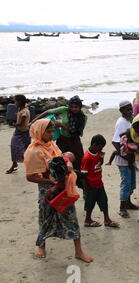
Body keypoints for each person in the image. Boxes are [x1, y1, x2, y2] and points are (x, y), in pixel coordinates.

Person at [23, 119, 93, 262]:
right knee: (45, 217)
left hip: (63, 187)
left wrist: (67, 167)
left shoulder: (52, 145)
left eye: (52, 131)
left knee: (71, 218)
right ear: (39, 132)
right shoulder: (33, 151)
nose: (51, 134)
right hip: (47, 191)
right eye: (48, 132)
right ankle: (41, 245)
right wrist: (49, 181)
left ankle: (78, 251)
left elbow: (61, 160)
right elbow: (30, 177)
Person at [30, 95, 87, 172]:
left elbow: (77, 133)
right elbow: (47, 112)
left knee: (78, 161)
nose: (73, 109)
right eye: (72, 107)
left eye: (76, 107)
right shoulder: (64, 110)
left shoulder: (83, 117)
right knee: (59, 159)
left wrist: (62, 125)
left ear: (80, 107)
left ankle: (76, 178)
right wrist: (32, 122)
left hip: (75, 140)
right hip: (63, 139)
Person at [81, 135, 119, 228]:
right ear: (94, 145)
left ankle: (107, 220)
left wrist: (101, 158)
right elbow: (83, 175)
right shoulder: (87, 158)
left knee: (104, 201)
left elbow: (99, 165)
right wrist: (86, 189)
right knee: (90, 203)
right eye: (100, 147)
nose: (101, 149)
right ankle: (87, 220)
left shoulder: (98, 153)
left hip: (99, 183)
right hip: (91, 185)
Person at [110, 101, 139, 218]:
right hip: (124, 160)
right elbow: (115, 141)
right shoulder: (121, 123)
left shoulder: (129, 120)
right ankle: (122, 208)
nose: (129, 111)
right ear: (121, 111)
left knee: (131, 183)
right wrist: (124, 155)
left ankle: (128, 203)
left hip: (130, 159)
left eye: (130, 109)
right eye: (127, 110)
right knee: (126, 183)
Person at [6, 94, 31, 174]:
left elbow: (20, 124)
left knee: (26, 150)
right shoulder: (21, 108)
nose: (14, 103)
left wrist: (12, 124)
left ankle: (30, 167)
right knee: (14, 148)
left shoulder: (24, 112)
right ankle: (14, 164)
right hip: (18, 132)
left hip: (24, 133)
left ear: (20, 102)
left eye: (15, 101)